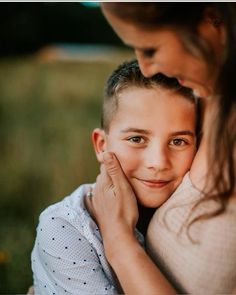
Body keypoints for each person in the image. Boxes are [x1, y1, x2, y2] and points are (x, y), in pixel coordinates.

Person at [89, 3, 236, 294]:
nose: (145, 68)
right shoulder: (199, 98)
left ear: (212, 16)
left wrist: (118, 241)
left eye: (150, 49)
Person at [31, 59, 199, 294]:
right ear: (101, 145)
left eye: (178, 141)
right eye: (136, 139)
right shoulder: (64, 227)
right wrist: (119, 241)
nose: (158, 162)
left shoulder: (195, 209)